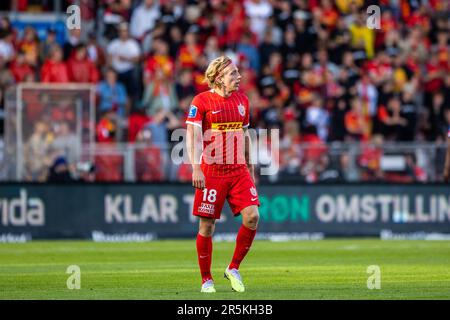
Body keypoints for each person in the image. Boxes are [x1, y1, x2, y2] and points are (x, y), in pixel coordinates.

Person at [185, 56, 260, 293]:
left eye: (238, 73)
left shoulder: (242, 101)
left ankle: (233, 268)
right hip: (212, 171)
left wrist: (250, 165)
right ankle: (206, 279)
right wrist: (196, 167)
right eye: (233, 74)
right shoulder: (201, 101)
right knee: (207, 226)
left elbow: (244, 135)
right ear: (219, 78)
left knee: (252, 216)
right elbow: (192, 136)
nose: (239, 77)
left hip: (238, 170)